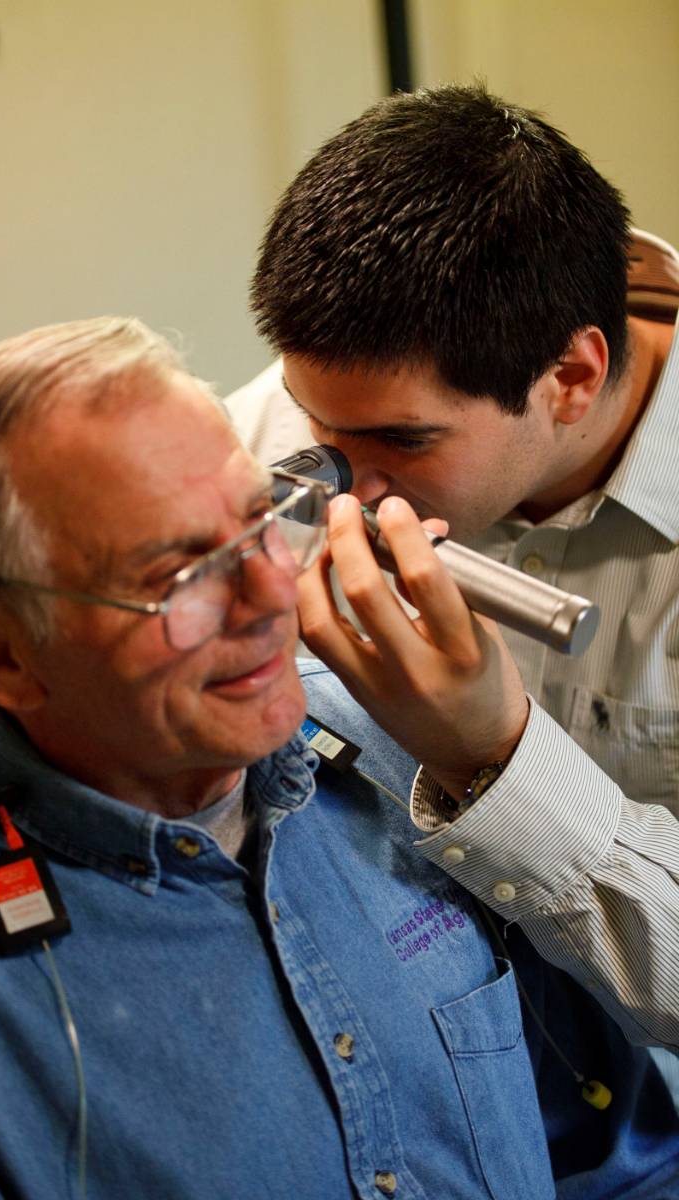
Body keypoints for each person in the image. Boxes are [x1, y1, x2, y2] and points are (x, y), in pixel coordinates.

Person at [0, 317, 678, 1199]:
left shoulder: (399, 750)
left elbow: (614, 1157)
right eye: (181, 577)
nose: (276, 596)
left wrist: (498, 755)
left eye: (265, 519)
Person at [240, 84, 679, 1059]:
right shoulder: (284, 432)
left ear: (567, 378)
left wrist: (492, 754)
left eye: (400, 438)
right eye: (315, 421)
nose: (342, 476)